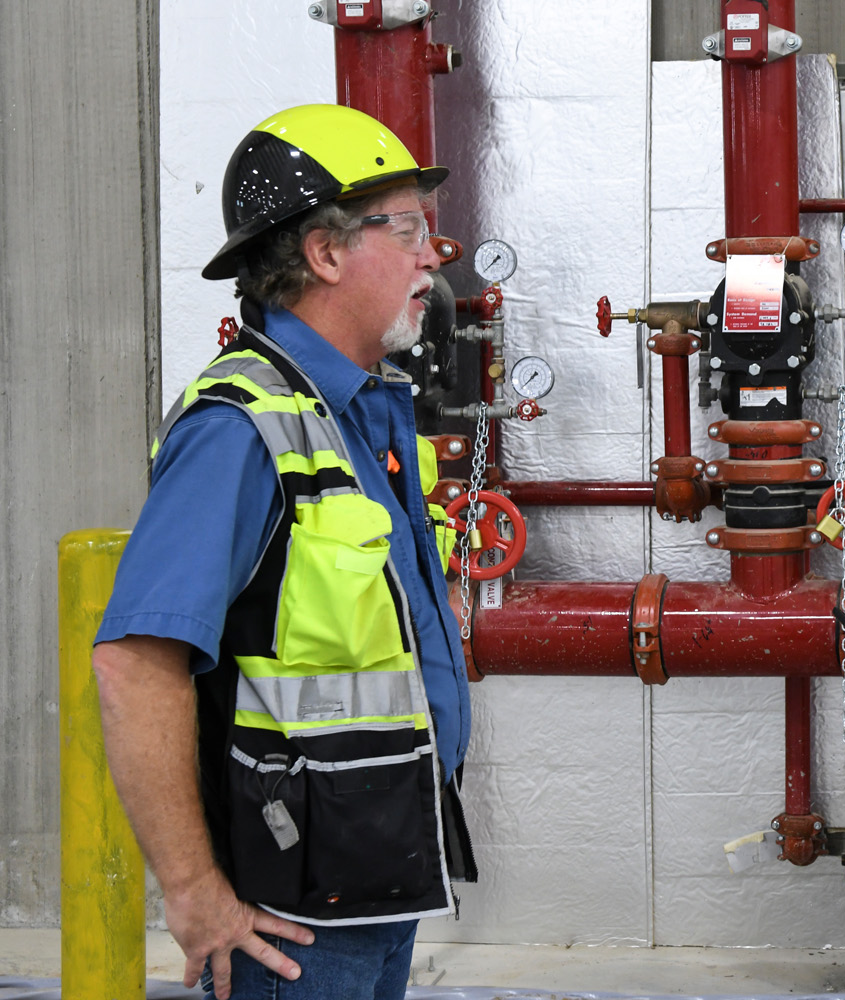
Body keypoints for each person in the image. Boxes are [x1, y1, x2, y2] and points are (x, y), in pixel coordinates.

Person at [93, 103, 475, 1000]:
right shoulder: (241, 428)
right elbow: (137, 664)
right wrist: (194, 896)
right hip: (285, 916)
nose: (433, 255)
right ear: (326, 253)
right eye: (410, 228)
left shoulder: (358, 412)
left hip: (373, 877)